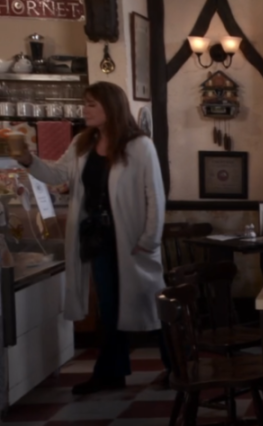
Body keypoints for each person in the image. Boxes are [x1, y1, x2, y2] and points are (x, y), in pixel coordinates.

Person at [15, 81, 167, 395]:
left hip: (132, 238)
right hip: (97, 236)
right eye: (85, 103)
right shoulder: (83, 144)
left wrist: (150, 239)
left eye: (91, 104)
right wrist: (28, 160)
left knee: (152, 303)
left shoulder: (140, 146)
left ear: (110, 108)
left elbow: (155, 195)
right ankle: (110, 372)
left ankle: (177, 365)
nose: (84, 110)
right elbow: (58, 174)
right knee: (109, 306)